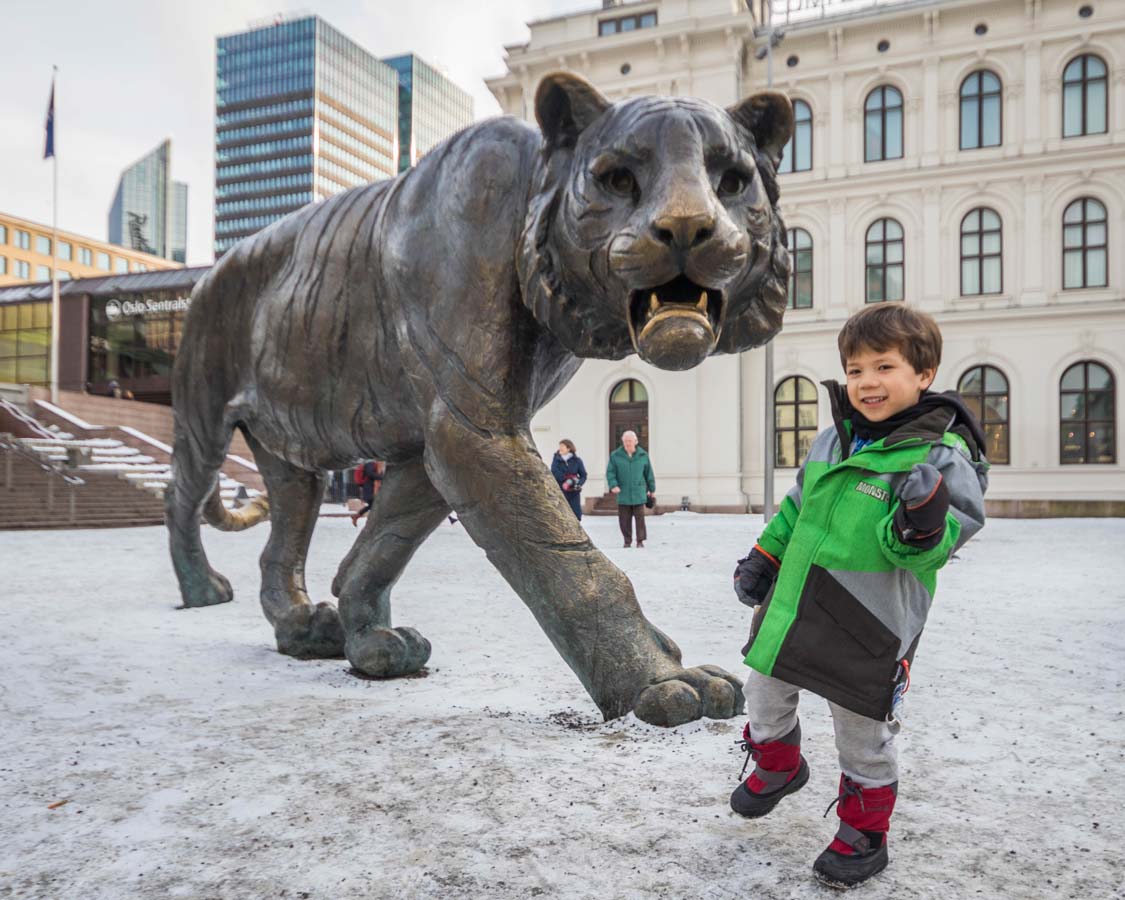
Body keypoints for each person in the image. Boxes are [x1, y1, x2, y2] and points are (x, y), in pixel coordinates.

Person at [728, 303, 989, 889]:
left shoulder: (939, 455)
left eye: (884, 367)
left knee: (862, 736)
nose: (867, 382)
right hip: (794, 604)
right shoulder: (831, 440)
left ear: (923, 374)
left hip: (866, 626)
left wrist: (921, 528)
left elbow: (945, 537)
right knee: (763, 695)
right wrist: (765, 557)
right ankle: (779, 764)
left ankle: (864, 834)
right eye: (855, 370)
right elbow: (796, 508)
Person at [605, 430, 655, 548]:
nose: (628, 443)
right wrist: (613, 485)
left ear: (635, 441)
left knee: (640, 518)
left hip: (639, 491)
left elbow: (649, 473)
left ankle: (640, 540)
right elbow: (610, 472)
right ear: (622, 442)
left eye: (630, 441)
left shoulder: (643, 455)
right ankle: (627, 541)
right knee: (624, 520)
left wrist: (651, 488)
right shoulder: (615, 455)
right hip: (623, 492)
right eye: (625, 441)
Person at [551, 439, 588, 520]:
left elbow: (583, 475)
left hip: (574, 492)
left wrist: (578, 483)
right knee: (561, 515)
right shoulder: (556, 459)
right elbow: (554, 472)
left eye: (562, 446)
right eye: (559, 446)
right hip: (561, 491)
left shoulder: (577, 460)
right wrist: (567, 479)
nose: (560, 448)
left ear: (569, 448)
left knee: (575, 515)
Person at [350, 460, 384, 527]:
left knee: (372, 506)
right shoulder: (370, 463)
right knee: (374, 505)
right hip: (369, 489)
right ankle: (362, 518)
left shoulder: (371, 464)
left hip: (369, 489)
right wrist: (381, 477)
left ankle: (356, 516)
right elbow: (370, 473)